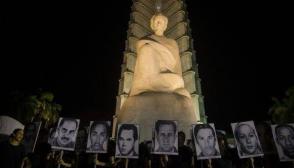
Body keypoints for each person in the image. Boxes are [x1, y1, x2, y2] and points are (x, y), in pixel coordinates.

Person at [129, 12, 190, 98]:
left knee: (178, 81)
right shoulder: (145, 40)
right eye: (157, 21)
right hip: (149, 75)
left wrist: (181, 84)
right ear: (152, 24)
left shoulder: (172, 43)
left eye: (161, 21)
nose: (159, 23)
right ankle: (149, 84)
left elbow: (177, 67)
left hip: (166, 76)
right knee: (146, 49)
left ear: (165, 26)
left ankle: (152, 84)